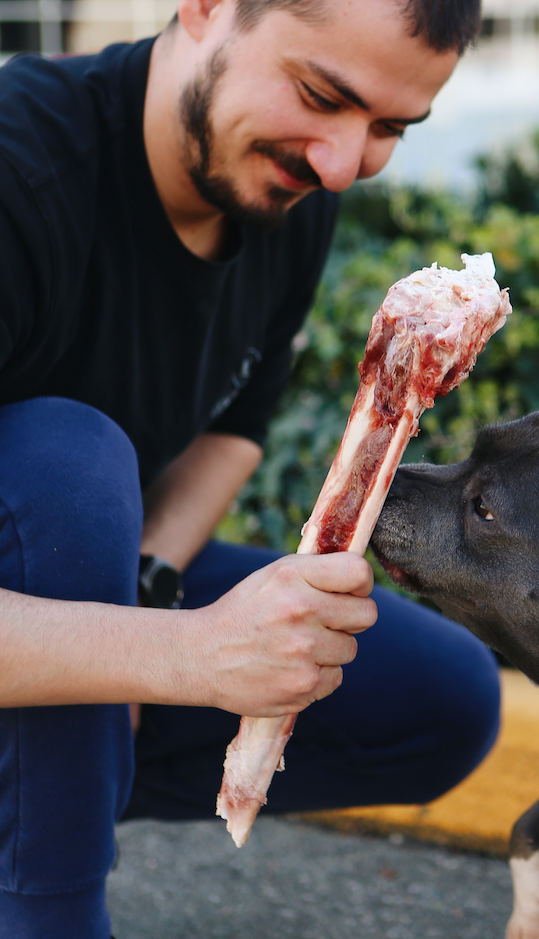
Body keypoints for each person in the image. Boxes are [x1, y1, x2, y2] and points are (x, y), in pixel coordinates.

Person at [0, 0, 502, 935]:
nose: (342, 163)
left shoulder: (281, 184)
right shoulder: (18, 179)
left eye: (389, 128)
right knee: (67, 463)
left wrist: (145, 601)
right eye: (321, 94)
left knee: (441, 700)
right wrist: (175, 656)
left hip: (68, 604)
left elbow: (235, 425)